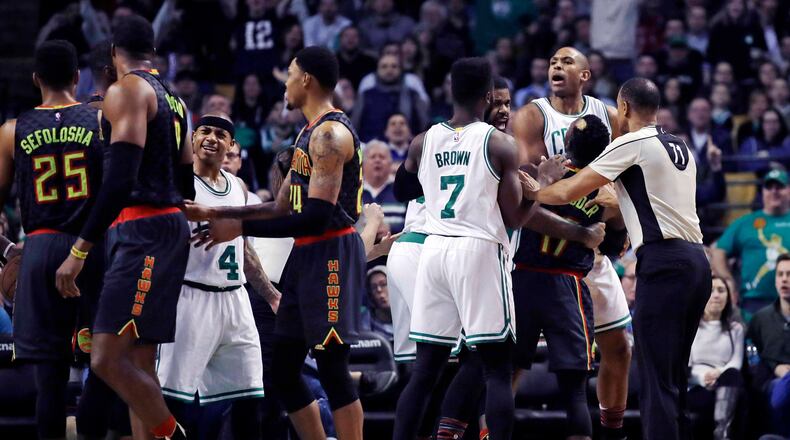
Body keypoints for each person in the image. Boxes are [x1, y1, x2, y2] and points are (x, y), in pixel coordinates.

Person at [187, 46, 365, 440]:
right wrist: (219, 215)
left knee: (333, 366)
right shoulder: (306, 133)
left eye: (288, 74)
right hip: (306, 256)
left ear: (306, 80)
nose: (283, 82)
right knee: (282, 371)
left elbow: (317, 216)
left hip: (331, 251)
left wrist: (237, 230)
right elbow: (281, 205)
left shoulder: (330, 134)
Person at [391, 57, 564, 440]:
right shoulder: (498, 143)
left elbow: (403, 190)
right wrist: (544, 184)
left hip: (435, 251)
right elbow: (516, 218)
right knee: (496, 369)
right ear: (488, 96)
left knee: (425, 370)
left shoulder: (424, 139)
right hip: (478, 249)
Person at [530, 77, 712, 440]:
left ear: (624, 108)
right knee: (675, 373)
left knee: (656, 376)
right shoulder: (681, 146)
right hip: (697, 262)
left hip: (664, 263)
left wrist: (534, 190)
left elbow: (568, 191)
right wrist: (619, 205)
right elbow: (653, 201)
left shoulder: (632, 142)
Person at [54, 15, 194, 440]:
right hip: (169, 226)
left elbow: (120, 181)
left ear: (115, 53)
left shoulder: (127, 90)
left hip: (144, 230)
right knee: (138, 363)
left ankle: (173, 435)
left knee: (106, 359)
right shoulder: (176, 101)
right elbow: (186, 182)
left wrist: (78, 252)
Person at [512, 46, 632, 440]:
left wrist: (620, 222)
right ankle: (489, 428)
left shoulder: (609, 115)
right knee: (513, 361)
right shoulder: (532, 115)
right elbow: (527, 185)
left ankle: (612, 429)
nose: (556, 67)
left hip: (590, 257)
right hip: (545, 245)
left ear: (585, 75)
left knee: (619, 347)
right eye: (552, 62)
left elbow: (628, 174)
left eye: (566, 62)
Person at [0, 40, 106, 440]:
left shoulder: (12, 130)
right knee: (100, 364)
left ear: (34, 79)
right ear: (79, 78)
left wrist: (8, 248)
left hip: (41, 249)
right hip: (90, 247)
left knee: (49, 378)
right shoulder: (98, 122)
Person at [156, 114, 282, 438]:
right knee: (174, 400)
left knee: (250, 398)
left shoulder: (238, 187)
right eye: (205, 131)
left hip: (236, 299)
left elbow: (244, 249)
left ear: (231, 145)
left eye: (221, 134)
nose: (212, 138)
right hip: (190, 296)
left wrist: (270, 294)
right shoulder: (178, 185)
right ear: (193, 139)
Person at [712, 170, 790, 319]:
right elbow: (718, 252)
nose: (774, 191)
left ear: (789, 190)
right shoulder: (745, 223)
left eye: (779, 187)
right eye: (769, 187)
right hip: (754, 304)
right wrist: (728, 279)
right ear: (762, 192)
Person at [687, 275, 745, 440]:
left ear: (728, 296)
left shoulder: (735, 329)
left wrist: (719, 373)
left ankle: (722, 432)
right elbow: (685, 365)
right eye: (711, 290)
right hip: (696, 383)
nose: (717, 295)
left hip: (725, 380)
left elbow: (736, 361)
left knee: (733, 375)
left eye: (721, 290)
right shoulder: (690, 326)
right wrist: (702, 378)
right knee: (707, 401)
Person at [748, 253, 790, 437]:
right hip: (773, 383)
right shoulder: (761, 318)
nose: (784, 280)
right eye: (780, 274)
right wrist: (775, 367)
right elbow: (753, 358)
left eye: (789, 274)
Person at [362, 140, 405, 233]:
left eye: (382, 157)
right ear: (363, 164)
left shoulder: (401, 189)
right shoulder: (355, 191)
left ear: (390, 163)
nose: (377, 160)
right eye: (372, 157)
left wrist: (391, 229)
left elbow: (412, 224)